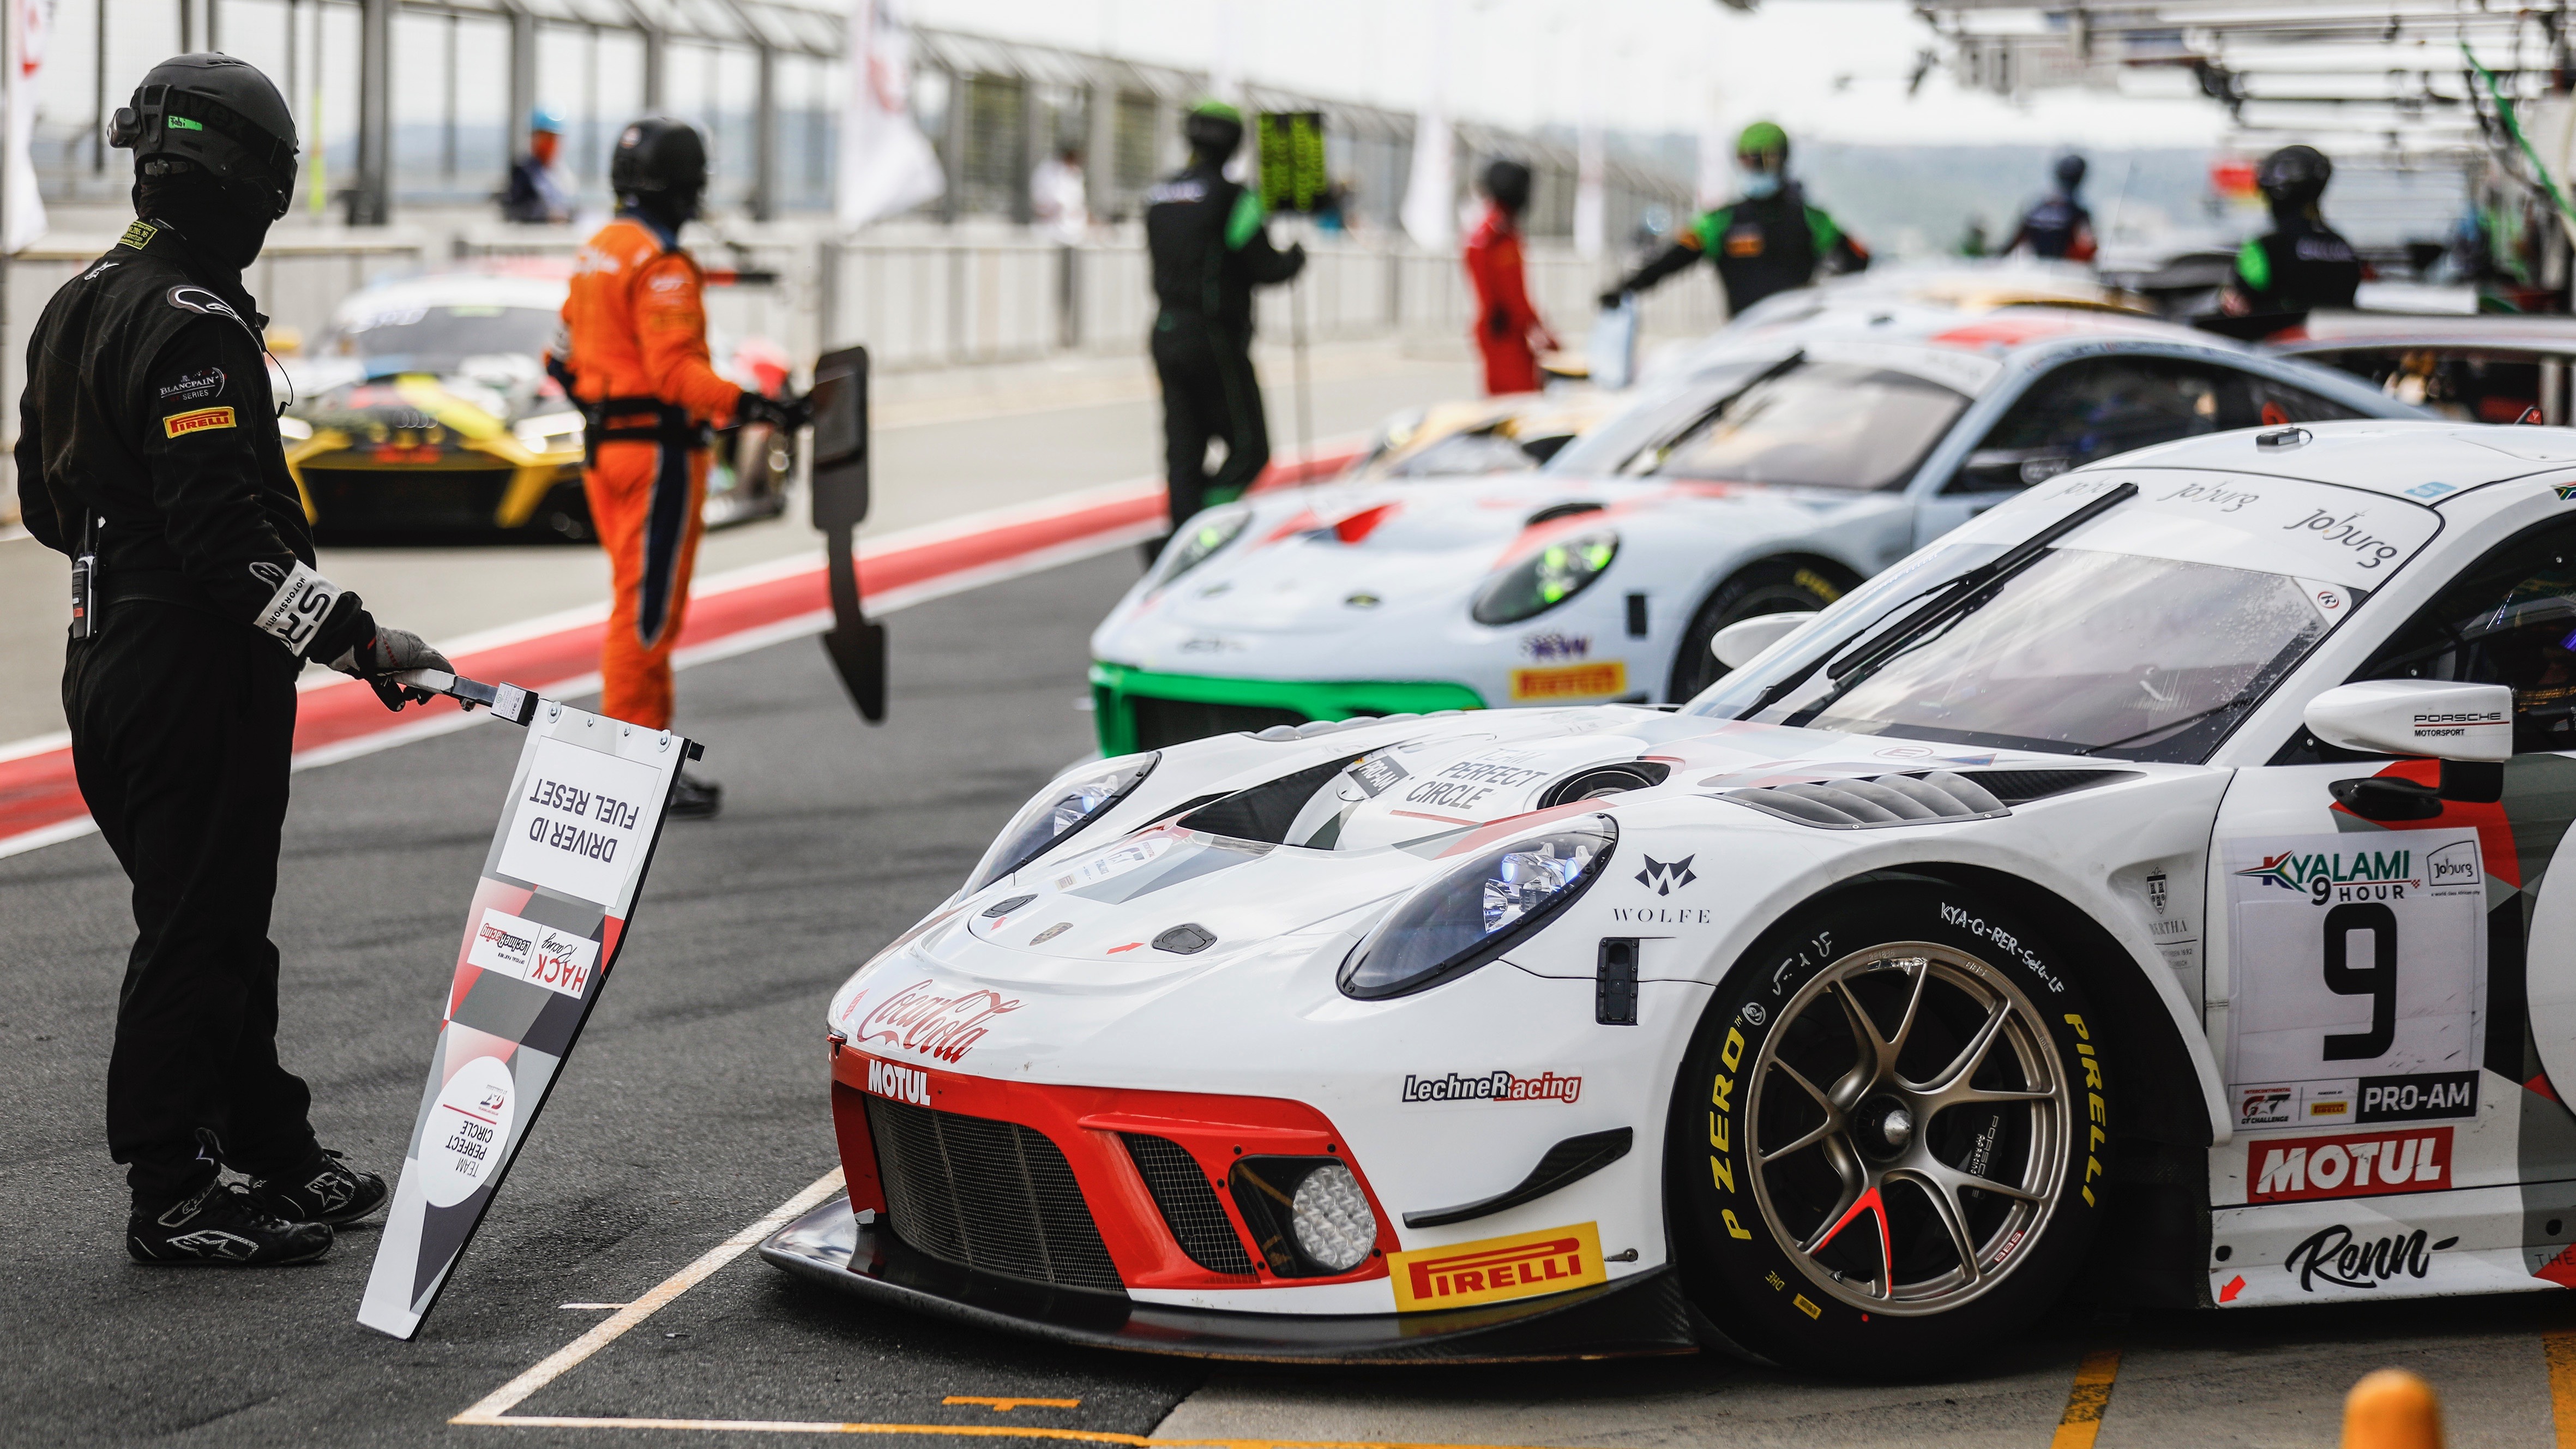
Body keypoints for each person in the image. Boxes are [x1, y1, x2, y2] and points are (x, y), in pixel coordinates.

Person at [17, 52, 451, 1265]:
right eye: (269, 190)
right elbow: (230, 550)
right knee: (197, 931)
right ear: (239, 184)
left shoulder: (76, 300)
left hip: (103, 652)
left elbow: (45, 506)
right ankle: (173, 1183)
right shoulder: (194, 323)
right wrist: (364, 640)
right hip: (192, 669)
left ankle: (272, 1140)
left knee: (213, 923)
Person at [557, 118, 805, 819]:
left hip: (606, 451)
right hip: (660, 458)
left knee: (642, 606)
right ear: (684, 185)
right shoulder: (660, 262)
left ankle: (650, 760)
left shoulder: (597, 251)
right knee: (645, 618)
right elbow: (676, 375)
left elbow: (559, 355)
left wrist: (608, 407)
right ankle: (632, 772)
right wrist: (760, 405)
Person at [1142, 100, 1305, 548]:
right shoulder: (1237, 197)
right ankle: (1201, 535)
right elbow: (1265, 267)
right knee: (1251, 449)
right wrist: (1295, 257)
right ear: (1235, 143)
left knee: (1183, 452)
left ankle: (1178, 539)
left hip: (1165, 331)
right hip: (1214, 337)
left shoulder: (1159, 194)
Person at [1600, 121, 1867, 319]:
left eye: (1761, 161)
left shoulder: (1812, 220)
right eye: (1746, 161)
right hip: (1744, 339)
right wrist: (1627, 287)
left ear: (1781, 159)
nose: (1752, 169)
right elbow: (1671, 260)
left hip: (1795, 339)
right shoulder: (1720, 222)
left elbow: (1859, 259)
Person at [2222, 145, 2363, 320]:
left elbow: (2237, 306)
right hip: (2339, 343)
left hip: (2279, 343)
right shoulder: (2344, 247)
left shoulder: (2264, 249)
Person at [1462, 158, 1555, 396]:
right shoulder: (1497, 235)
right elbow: (1514, 296)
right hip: (1504, 333)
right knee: (1520, 404)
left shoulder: (1495, 230)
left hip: (1503, 331)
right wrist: (1543, 334)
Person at [2007, 154, 2097, 262]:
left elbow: (2011, 244)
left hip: (2038, 270)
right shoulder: (2078, 213)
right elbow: (2088, 248)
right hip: (2066, 273)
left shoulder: (2036, 208)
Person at [503, 106, 575, 224]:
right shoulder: (523, 172)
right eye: (545, 139)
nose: (549, 145)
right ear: (533, 139)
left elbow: (570, 205)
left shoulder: (561, 173)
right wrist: (548, 215)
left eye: (553, 139)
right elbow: (516, 210)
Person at [1031, 142, 1087, 247]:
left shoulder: (1076, 174)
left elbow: (1078, 205)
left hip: (1073, 232)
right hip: (1050, 230)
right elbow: (1041, 203)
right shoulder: (1047, 172)